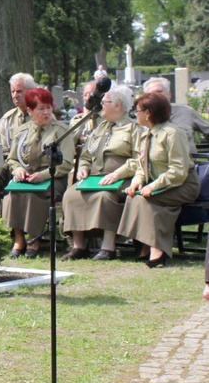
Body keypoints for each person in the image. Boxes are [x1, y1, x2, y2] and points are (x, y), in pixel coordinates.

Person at [118, 92, 200, 268]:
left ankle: (156, 250)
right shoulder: (146, 134)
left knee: (147, 199)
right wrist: (136, 182)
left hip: (184, 184)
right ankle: (145, 247)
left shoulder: (172, 133)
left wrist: (153, 186)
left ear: (148, 113)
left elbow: (178, 170)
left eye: (137, 110)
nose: (135, 114)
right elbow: (141, 166)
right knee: (135, 196)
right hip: (162, 185)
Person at [61, 84, 141, 261]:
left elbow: (138, 160)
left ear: (118, 105)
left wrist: (118, 174)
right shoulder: (100, 127)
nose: (100, 105)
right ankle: (79, 246)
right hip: (94, 177)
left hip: (121, 179)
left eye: (104, 101)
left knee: (104, 197)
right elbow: (87, 154)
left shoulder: (133, 128)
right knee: (70, 195)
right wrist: (83, 168)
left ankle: (108, 247)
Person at [2, 88, 74, 258]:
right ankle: (19, 239)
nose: (46, 112)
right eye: (41, 108)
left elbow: (66, 162)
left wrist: (45, 175)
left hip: (53, 177)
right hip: (27, 176)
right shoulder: (22, 131)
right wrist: (18, 170)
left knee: (34, 196)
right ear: (30, 110)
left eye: (49, 108)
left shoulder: (61, 131)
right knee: (12, 195)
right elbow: (12, 159)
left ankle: (34, 239)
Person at [143, 76, 209, 154]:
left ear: (169, 94)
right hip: (156, 164)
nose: (155, 96)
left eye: (159, 92)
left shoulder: (186, 112)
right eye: (150, 94)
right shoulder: (141, 117)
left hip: (187, 163)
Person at [0, 72, 36, 158]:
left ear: (31, 92)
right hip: (12, 167)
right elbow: (3, 151)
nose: (15, 95)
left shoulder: (42, 116)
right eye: (13, 91)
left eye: (19, 91)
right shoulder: (7, 120)